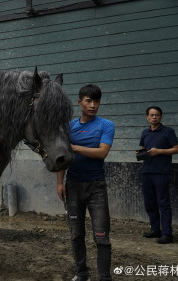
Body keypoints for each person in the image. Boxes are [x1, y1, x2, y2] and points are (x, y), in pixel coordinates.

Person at [56, 84, 114, 281]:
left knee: (101, 235)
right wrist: (59, 183)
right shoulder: (69, 127)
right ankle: (81, 274)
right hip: (73, 185)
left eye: (96, 101)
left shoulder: (106, 125)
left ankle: (105, 277)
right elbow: (63, 157)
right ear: (79, 102)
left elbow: (102, 152)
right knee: (76, 234)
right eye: (88, 101)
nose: (93, 105)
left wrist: (75, 147)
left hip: (96, 186)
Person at [138, 106, 178, 244]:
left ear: (161, 116)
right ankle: (155, 229)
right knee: (149, 203)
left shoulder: (168, 132)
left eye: (156, 115)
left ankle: (167, 234)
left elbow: (177, 149)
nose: (154, 117)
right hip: (146, 171)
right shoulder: (144, 133)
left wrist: (159, 151)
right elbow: (143, 149)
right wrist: (140, 153)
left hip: (161, 172)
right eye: (151, 115)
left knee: (163, 203)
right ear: (147, 117)